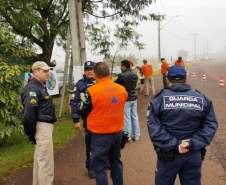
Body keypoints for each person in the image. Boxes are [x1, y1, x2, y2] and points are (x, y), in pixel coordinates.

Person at [147, 65, 218, 185]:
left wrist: (175, 144)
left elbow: (153, 126)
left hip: (168, 154)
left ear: (168, 79)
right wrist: (192, 143)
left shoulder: (159, 99)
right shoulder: (201, 98)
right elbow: (211, 124)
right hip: (193, 153)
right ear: (186, 78)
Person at [81, 62, 128, 185]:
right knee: (116, 162)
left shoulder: (91, 91)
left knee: (100, 167)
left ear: (95, 75)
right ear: (109, 73)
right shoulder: (122, 89)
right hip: (117, 133)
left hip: (99, 135)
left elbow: (83, 110)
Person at [21, 61, 57, 185]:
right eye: (45, 71)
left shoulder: (40, 86)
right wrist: (31, 133)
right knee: (46, 164)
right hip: (41, 128)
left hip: (43, 127)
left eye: (48, 70)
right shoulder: (33, 88)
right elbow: (28, 116)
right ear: (36, 71)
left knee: (40, 161)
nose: (48, 73)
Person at [70, 61, 96, 178]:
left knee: (103, 143)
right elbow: (74, 102)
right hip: (89, 119)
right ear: (84, 71)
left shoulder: (100, 81)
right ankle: (91, 167)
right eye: (87, 69)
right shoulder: (80, 84)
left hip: (103, 119)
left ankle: (102, 163)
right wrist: (76, 119)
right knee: (91, 144)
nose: (90, 71)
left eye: (92, 69)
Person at [115, 60, 140, 141]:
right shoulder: (135, 75)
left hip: (126, 99)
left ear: (124, 66)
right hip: (134, 98)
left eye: (121, 66)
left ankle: (128, 136)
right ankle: (136, 135)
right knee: (135, 117)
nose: (120, 67)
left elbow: (115, 85)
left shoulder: (122, 76)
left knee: (127, 118)